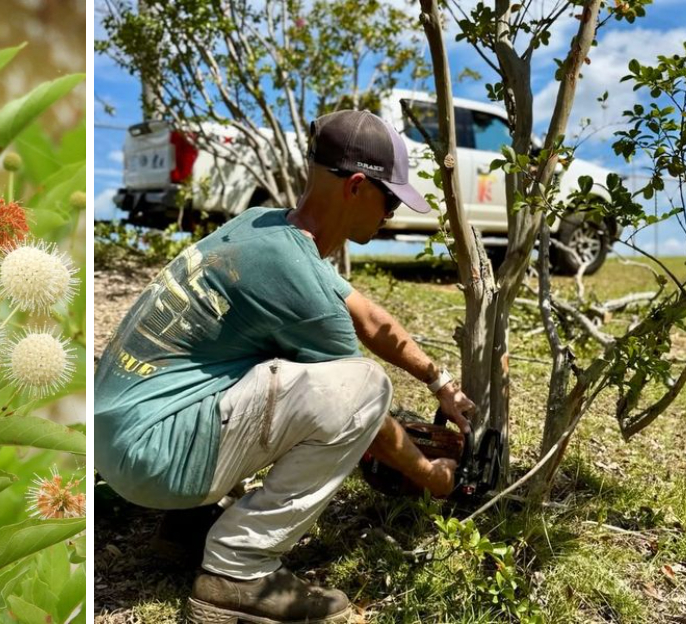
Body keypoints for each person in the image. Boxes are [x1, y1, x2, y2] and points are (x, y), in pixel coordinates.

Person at [94, 109, 477, 624]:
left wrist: (440, 382)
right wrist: (430, 475)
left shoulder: (265, 226)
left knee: (252, 357)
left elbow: (366, 315)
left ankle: (185, 527)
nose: (391, 213)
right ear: (357, 187)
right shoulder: (295, 278)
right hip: (154, 457)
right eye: (390, 198)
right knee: (364, 388)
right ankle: (239, 571)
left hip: (117, 436)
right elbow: (367, 417)